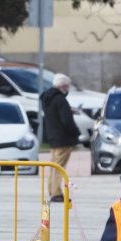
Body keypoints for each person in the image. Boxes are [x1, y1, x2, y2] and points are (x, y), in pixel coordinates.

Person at [41, 73, 81, 203]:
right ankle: (56, 194)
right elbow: (66, 121)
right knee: (59, 167)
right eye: (67, 87)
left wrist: (68, 110)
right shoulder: (60, 100)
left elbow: (54, 115)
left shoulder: (48, 99)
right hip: (63, 139)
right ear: (63, 86)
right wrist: (76, 132)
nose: (68, 90)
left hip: (53, 138)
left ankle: (52, 190)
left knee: (54, 166)